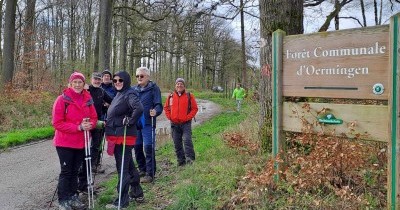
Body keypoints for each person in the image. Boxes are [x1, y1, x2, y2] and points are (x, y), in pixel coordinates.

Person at [52, 72, 98, 210]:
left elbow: (94, 118)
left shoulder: (88, 99)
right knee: (66, 171)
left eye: (80, 82)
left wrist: (91, 125)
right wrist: (78, 127)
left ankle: (73, 196)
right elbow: (57, 123)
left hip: (81, 142)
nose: (77, 85)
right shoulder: (62, 100)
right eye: (75, 82)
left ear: (84, 85)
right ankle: (63, 200)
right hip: (64, 142)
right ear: (70, 84)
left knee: (75, 171)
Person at [104, 70, 144, 209]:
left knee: (122, 168)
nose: (117, 83)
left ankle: (122, 201)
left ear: (126, 81)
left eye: (120, 80)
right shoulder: (119, 94)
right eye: (115, 81)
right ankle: (137, 193)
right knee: (128, 165)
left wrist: (130, 121)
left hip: (123, 136)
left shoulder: (129, 93)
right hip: (117, 135)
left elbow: (139, 108)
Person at [78, 72, 113, 194]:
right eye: (95, 79)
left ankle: (91, 166)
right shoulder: (85, 90)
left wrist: (107, 106)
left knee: (96, 147)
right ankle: (81, 171)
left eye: (99, 80)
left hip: (97, 122)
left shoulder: (102, 91)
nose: (97, 81)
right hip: (85, 123)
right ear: (91, 80)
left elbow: (113, 100)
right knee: (83, 148)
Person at [132, 67, 163, 183]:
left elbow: (159, 105)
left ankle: (150, 173)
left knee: (148, 147)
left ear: (148, 77)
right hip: (136, 123)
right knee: (137, 146)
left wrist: (155, 111)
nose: (139, 78)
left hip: (148, 122)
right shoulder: (133, 89)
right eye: (137, 76)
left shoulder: (154, 88)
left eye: (141, 76)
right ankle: (142, 169)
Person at [164, 78, 198, 166]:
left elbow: (194, 109)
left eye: (181, 84)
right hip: (174, 124)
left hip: (185, 123)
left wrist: (188, 117)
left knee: (187, 140)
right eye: (177, 84)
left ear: (184, 86)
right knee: (177, 142)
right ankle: (181, 160)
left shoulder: (189, 96)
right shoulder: (170, 96)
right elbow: (166, 108)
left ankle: (190, 159)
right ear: (175, 86)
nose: (179, 85)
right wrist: (170, 117)